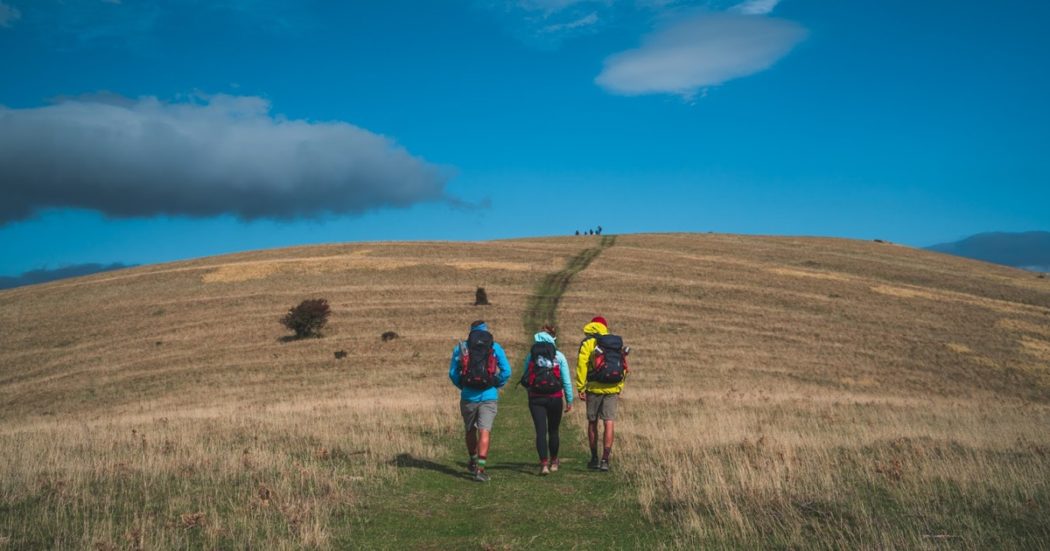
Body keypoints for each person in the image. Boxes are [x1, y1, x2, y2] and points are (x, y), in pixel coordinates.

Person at [449, 320, 512, 482]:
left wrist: (462, 386)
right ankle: (481, 469)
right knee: (484, 431)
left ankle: (473, 459)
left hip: (468, 395)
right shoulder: (494, 347)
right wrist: (496, 383)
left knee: (470, 429)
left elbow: (453, 373)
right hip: (489, 395)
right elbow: (506, 371)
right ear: (486, 331)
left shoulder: (462, 348)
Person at [520, 325, 574, 475]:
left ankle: (543, 464)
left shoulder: (532, 355)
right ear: (553, 337)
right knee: (554, 430)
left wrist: (531, 392)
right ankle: (554, 461)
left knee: (540, 431)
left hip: (536, 398)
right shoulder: (559, 356)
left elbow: (526, 377)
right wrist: (569, 400)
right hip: (555, 397)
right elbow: (566, 380)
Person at [576, 316, 628, 472]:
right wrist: (619, 386)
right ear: (605, 326)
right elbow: (623, 366)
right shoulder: (614, 343)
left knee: (592, 422)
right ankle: (605, 459)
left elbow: (582, 366)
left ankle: (594, 459)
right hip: (612, 388)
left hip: (593, 388)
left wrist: (580, 387)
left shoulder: (588, 343)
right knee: (609, 421)